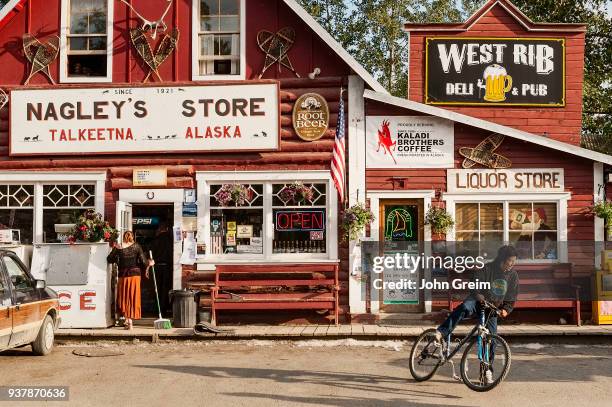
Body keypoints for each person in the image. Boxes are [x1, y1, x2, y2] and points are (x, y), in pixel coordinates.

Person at [435, 245, 519, 382]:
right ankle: (441, 332)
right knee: (464, 308)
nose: (512, 264)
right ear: (502, 259)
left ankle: (486, 373)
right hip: (477, 301)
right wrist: (479, 294)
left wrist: (507, 309)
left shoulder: (512, 275)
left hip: (491, 309)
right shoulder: (488, 269)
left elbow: (512, 295)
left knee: (491, 340)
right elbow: (475, 282)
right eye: (510, 260)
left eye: (514, 261)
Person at [107, 231, 154, 330]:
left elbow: (109, 259)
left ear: (124, 237)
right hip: (135, 276)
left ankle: (127, 321)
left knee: (124, 298)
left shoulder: (119, 247)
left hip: (123, 275)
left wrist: (117, 255)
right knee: (133, 297)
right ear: (133, 237)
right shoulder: (137, 246)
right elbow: (144, 262)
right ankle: (130, 321)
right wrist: (151, 262)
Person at [150, 221, 173, 313]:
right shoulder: (171, 240)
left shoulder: (156, 240)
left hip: (157, 266)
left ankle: (158, 309)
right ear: (167, 229)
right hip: (167, 266)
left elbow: (150, 253)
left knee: (157, 288)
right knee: (166, 288)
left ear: (159, 229)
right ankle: (165, 308)